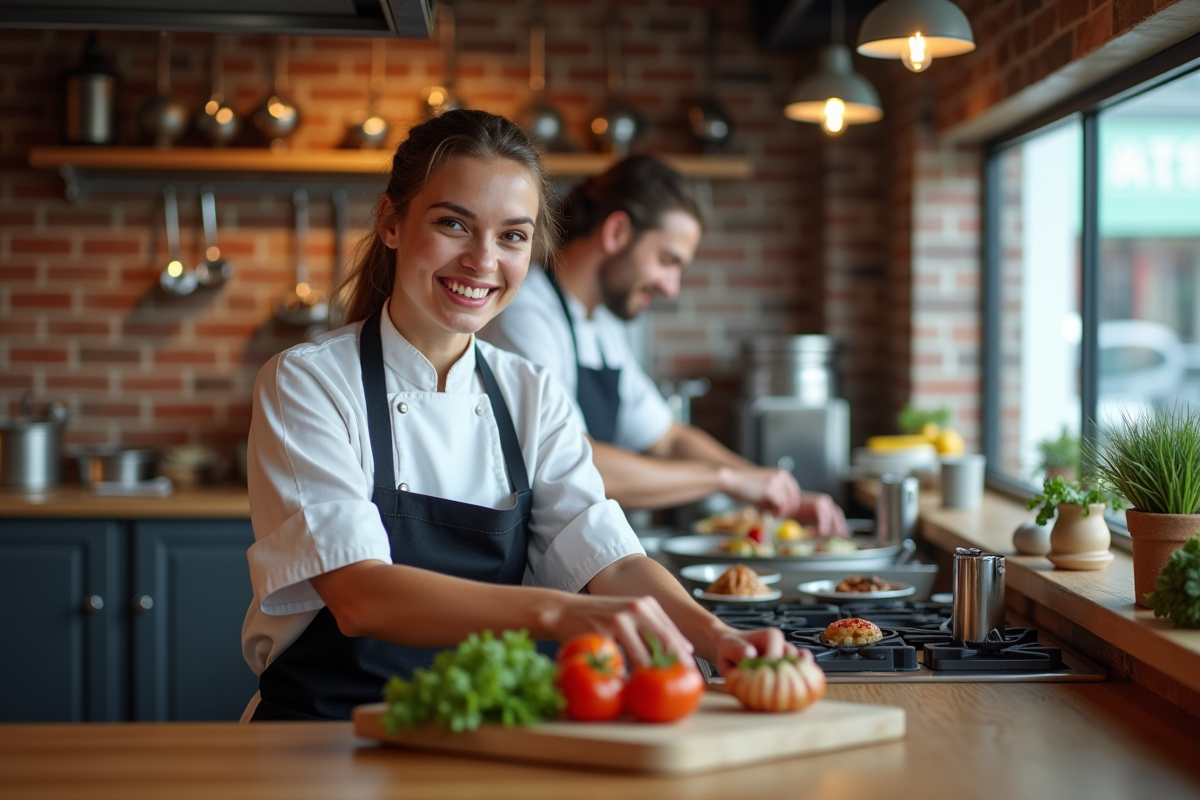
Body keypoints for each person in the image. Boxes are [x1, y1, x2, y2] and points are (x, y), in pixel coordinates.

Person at [240, 110, 792, 722]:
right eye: (454, 223)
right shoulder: (309, 381)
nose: (482, 260)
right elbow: (361, 597)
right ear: (391, 222)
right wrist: (558, 612)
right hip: (327, 737)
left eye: (512, 236)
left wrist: (717, 636)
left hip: (485, 733)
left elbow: (607, 555)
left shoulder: (531, 393)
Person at [481, 156, 847, 534]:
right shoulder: (525, 312)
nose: (671, 287)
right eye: (666, 260)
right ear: (617, 232)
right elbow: (570, 461)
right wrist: (724, 479)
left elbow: (668, 438)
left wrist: (772, 486)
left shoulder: (603, 326)